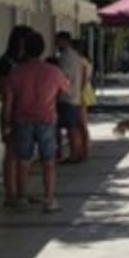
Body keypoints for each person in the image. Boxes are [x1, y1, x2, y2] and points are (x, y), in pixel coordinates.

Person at [8, 31, 69, 212]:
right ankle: (49, 199)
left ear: (24, 50)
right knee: (48, 161)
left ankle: (22, 198)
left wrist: (6, 123)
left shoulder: (16, 73)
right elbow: (67, 89)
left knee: (23, 161)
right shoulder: (53, 72)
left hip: (22, 119)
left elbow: (9, 102)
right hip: (47, 119)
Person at [0, 25, 35, 208]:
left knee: (25, 155)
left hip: (27, 111)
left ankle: (23, 192)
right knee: (11, 154)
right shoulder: (6, 62)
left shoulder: (29, 61)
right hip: (11, 110)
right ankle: (10, 193)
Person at [54, 32, 86, 164]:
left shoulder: (65, 58)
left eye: (57, 41)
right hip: (75, 95)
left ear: (64, 41)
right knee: (75, 126)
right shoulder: (76, 57)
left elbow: (63, 77)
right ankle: (78, 152)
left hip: (66, 97)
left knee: (71, 127)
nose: (55, 44)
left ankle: (74, 153)